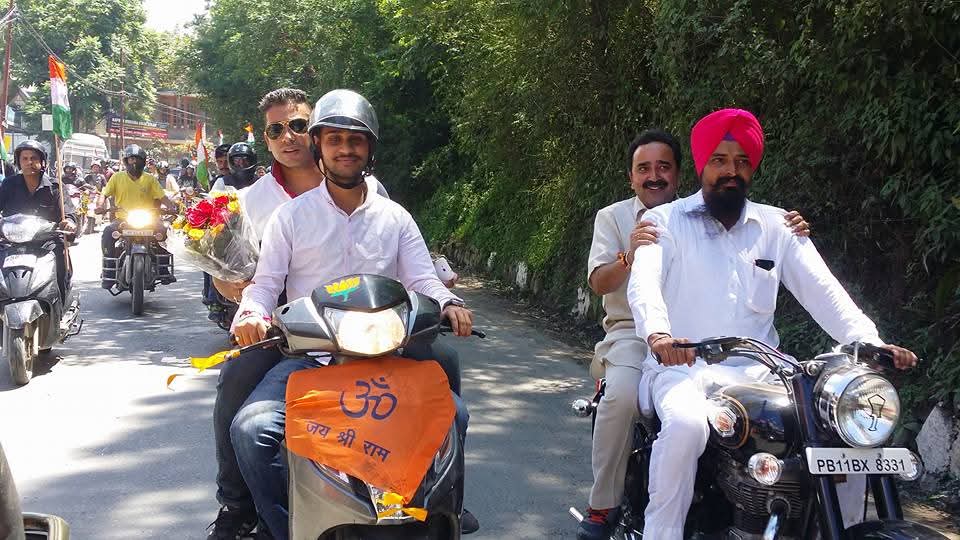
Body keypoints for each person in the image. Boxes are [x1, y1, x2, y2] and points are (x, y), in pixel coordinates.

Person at [625, 109, 917, 540]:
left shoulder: (777, 225)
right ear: (702, 165)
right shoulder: (663, 222)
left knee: (843, 433)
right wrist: (659, 335)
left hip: (765, 374)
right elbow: (644, 284)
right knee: (686, 426)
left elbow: (824, 290)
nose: (731, 171)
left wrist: (868, 341)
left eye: (741, 161)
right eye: (720, 160)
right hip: (682, 369)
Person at [229, 89, 473, 540]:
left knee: (453, 416)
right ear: (319, 147)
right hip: (312, 361)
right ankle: (284, 528)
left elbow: (423, 278)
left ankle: (445, 508)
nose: (345, 149)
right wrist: (251, 313)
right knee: (251, 430)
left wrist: (450, 304)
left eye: (355, 140)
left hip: (389, 359)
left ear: (370, 149)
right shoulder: (290, 218)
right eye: (334, 139)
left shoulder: (395, 217)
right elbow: (264, 284)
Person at [576, 129, 810, 540]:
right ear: (631, 177)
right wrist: (630, 256)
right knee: (622, 395)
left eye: (663, 167)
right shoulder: (613, 217)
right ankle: (603, 506)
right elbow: (598, 282)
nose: (654, 176)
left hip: (703, 340)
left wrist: (786, 228)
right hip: (634, 334)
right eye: (644, 168)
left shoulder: (702, 214)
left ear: (679, 174)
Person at [206, 88, 402, 540]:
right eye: (276, 130)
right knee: (237, 390)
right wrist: (236, 294)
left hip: (367, 333)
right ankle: (238, 504)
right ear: (266, 140)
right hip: (283, 333)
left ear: (313, 131)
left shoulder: (369, 188)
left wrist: (442, 298)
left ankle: (443, 493)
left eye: (296, 125)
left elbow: (398, 256)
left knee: (445, 374)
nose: (287, 137)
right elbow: (238, 275)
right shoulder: (251, 200)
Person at [0, 140, 77, 297]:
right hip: (11, 242)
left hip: (46, 242)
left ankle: (60, 301)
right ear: (19, 162)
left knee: (60, 255)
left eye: (33, 158)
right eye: (25, 158)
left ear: (43, 162)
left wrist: (69, 223)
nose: (29, 162)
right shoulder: (8, 184)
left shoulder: (56, 187)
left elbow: (69, 213)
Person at [96, 144, 178, 289]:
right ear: (125, 161)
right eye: (131, 159)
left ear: (143, 161)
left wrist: (171, 207)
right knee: (108, 232)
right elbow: (104, 194)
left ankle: (163, 268)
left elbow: (162, 196)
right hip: (123, 219)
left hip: (148, 219)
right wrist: (99, 205)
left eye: (137, 159)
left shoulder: (150, 179)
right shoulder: (117, 177)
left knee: (163, 230)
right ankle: (109, 271)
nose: (134, 162)